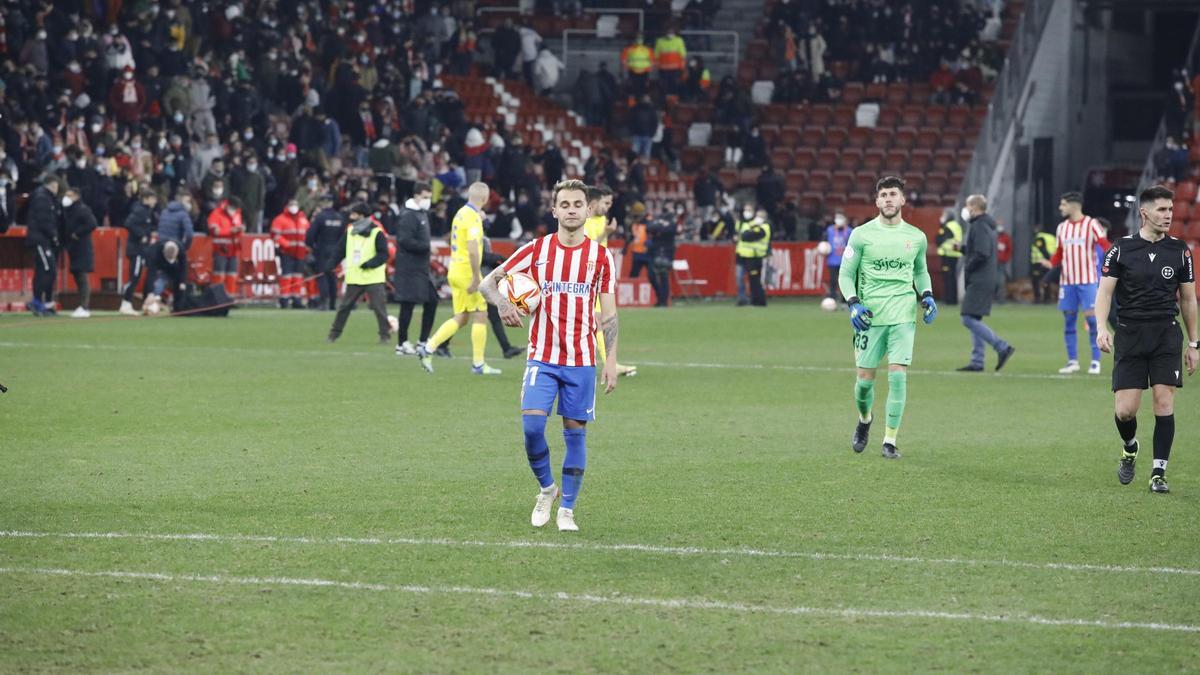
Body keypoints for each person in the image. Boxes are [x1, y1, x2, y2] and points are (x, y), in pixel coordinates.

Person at [479, 178, 620, 532]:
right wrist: (502, 305)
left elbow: (610, 314)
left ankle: (567, 509)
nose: (572, 210)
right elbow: (487, 283)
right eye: (565, 204)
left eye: (578, 204)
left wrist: (612, 361)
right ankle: (547, 489)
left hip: (582, 359)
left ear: (588, 210)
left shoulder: (601, 257)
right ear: (554, 210)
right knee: (531, 427)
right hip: (541, 357)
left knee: (575, 433)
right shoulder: (536, 251)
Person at [1095, 185, 1197, 494]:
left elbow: (1189, 301)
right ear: (1145, 212)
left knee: (1164, 401)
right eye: (1162, 210)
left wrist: (1194, 344)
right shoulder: (1121, 249)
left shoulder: (1179, 251)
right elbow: (1105, 292)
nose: (1169, 215)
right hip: (1130, 333)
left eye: (1170, 209)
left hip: (1166, 333)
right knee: (1125, 410)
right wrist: (1102, 326)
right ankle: (1129, 447)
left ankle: (1158, 473)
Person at [838, 176, 937, 459]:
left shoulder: (916, 237)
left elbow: (920, 270)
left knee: (898, 376)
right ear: (877, 201)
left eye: (893, 194)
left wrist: (926, 294)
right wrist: (854, 304)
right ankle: (865, 419)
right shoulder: (861, 235)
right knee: (864, 382)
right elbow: (845, 274)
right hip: (869, 316)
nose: (888, 199)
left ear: (903, 200)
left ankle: (890, 441)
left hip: (903, 315)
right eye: (883, 195)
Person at [416, 182, 501, 375]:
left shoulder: (461, 213)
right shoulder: (472, 218)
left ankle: (428, 347)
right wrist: (474, 278)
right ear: (486, 199)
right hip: (466, 271)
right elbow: (473, 250)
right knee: (480, 313)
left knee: (462, 317)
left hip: (454, 267)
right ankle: (478, 364)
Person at [1042, 191, 1110, 375]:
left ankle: (1095, 361)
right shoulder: (1062, 227)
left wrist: (1114, 262)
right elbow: (1059, 253)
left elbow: (1104, 245)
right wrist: (1050, 270)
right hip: (1067, 282)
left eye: (1063, 204)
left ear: (1074, 205)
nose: (1060, 208)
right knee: (1069, 321)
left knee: (1092, 320)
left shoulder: (1091, 224)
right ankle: (1073, 361)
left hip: (1087, 281)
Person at [955, 195, 1016, 372]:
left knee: (967, 317)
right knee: (974, 317)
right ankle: (977, 361)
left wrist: (969, 267)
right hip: (986, 277)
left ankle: (1002, 347)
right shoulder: (987, 225)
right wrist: (964, 249)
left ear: (974, 207)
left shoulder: (979, 225)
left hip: (980, 278)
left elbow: (982, 253)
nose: (966, 209)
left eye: (967, 205)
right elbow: (981, 249)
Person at [585, 186, 635, 375]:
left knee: (600, 320)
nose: (608, 207)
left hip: (599, 275)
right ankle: (608, 364)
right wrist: (606, 233)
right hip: (586, 278)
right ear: (594, 202)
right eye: (606, 203)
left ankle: (609, 363)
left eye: (610, 203)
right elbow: (588, 249)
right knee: (597, 320)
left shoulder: (601, 220)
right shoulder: (585, 221)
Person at [325, 203, 392, 344]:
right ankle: (333, 335)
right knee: (344, 308)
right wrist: (331, 264)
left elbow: (383, 254)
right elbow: (339, 250)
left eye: (354, 214)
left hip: (373, 278)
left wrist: (370, 264)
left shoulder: (377, 232)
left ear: (361, 215)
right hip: (354, 278)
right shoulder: (350, 232)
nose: (350, 217)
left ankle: (385, 336)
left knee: (379, 309)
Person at [393, 183, 440, 355]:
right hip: (409, 267)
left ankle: (422, 341)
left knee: (432, 300)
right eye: (426, 197)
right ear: (417, 196)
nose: (428, 201)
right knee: (408, 304)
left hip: (421, 267)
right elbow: (404, 241)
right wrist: (426, 247)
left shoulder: (421, 214)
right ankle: (402, 343)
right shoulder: (408, 215)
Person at [24, 176, 62, 316]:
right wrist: (53, 235)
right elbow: (44, 220)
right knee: (46, 269)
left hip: (44, 239)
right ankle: (37, 301)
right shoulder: (42, 197)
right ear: (52, 185)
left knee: (47, 270)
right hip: (40, 239)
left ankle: (43, 303)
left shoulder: (47, 198)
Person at [61, 187, 99, 319]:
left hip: (82, 247)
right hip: (75, 248)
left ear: (76, 196)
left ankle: (84, 307)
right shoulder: (70, 210)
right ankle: (82, 306)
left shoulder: (82, 209)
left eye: (69, 195)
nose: (66, 198)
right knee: (78, 276)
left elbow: (93, 223)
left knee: (82, 277)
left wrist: (77, 233)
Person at [120, 188, 158, 315]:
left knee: (137, 276)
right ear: (146, 199)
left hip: (141, 250)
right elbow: (128, 223)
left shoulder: (147, 212)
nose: (155, 201)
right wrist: (141, 235)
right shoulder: (140, 210)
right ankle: (126, 302)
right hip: (136, 250)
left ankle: (127, 302)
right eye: (152, 199)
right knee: (134, 276)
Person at [306, 193, 345, 311]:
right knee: (332, 276)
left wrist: (312, 246)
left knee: (322, 276)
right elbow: (343, 236)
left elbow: (310, 236)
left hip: (322, 250)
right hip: (335, 251)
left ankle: (324, 302)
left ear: (323, 203)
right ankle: (333, 303)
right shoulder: (340, 217)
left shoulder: (320, 217)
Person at [270, 199, 310, 309]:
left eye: (295, 205)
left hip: (300, 252)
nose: (294, 207)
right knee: (286, 276)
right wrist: (286, 245)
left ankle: (296, 299)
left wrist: (306, 247)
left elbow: (308, 234)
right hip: (286, 252)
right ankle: (284, 299)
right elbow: (275, 235)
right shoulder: (280, 220)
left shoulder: (303, 220)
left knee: (298, 277)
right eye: (292, 205)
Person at [207, 196, 244, 298]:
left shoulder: (237, 214)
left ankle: (229, 298)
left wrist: (239, 231)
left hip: (234, 250)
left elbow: (238, 230)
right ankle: (216, 298)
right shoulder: (216, 214)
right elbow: (215, 231)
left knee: (232, 275)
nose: (235, 210)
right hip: (220, 249)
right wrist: (231, 231)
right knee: (219, 275)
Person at [735, 206, 771, 307]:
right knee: (751, 280)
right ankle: (753, 300)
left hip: (756, 257)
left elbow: (747, 236)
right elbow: (743, 234)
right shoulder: (749, 224)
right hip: (745, 255)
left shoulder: (765, 227)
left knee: (755, 280)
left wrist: (745, 235)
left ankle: (759, 301)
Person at [936, 207, 963, 305]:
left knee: (948, 278)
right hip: (954, 254)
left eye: (944, 215)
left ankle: (949, 300)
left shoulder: (948, 226)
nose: (942, 217)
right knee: (952, 278)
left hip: (948, 254)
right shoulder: (956, 225)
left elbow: (939, 239)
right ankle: (953, 299)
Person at [824, 212, 851, 300]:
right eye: (837, 218)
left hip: (845, 260)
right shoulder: (829, 230)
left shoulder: (850, 231)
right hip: (832, 259)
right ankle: (832, 298)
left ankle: (844, 300)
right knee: (833, 280)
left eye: (841, 218)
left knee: (845, 281)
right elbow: (824, 243)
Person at [1030, 223, 1057, 304]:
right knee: (1047, 280)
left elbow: (1043, 250)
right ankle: (1047, 298)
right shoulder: (1051, 237)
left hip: (1040, 262)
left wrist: (1047, 260)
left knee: (1036, 281)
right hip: (1049, 262)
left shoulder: (1039, 238)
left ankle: (1037, 298)